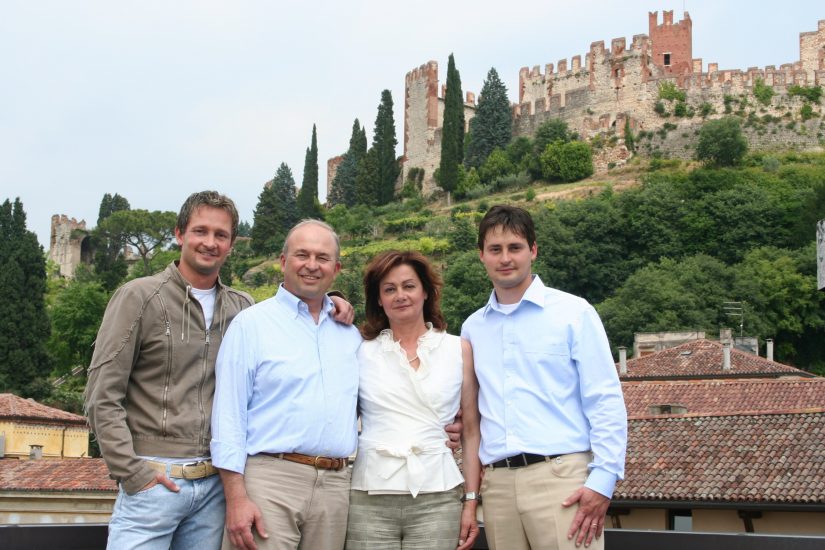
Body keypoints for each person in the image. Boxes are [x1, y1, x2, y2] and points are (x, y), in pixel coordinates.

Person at [85, 191, 254, 550]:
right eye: (200, 231)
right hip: (153, 483)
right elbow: (102, 395)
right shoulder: (138, 297)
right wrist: (133, 473)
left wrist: (334, 302)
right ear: (179, 234)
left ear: (231, 244)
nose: (210, 242)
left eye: (220, 235)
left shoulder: (243, 308)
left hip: (214, 490)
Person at [461, 205, 627, 550]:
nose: (505, 258)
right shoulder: (473, 328)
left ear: (533, 250)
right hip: (499, 487)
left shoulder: (574, 313)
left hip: (561, 479)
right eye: (495, 249)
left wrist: (604, 479)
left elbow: (605, 398)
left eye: (515, 247)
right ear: (481, 256)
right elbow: (473, 409)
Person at [346, 251, 481, 550]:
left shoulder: (458, 349)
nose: (400, 295)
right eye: (389, 289)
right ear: (378, 299)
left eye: (409, 286)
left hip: (438, 494)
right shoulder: (359, 350)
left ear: (426, 291)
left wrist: (471, 501)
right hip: (369, 496)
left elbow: (471, 431)